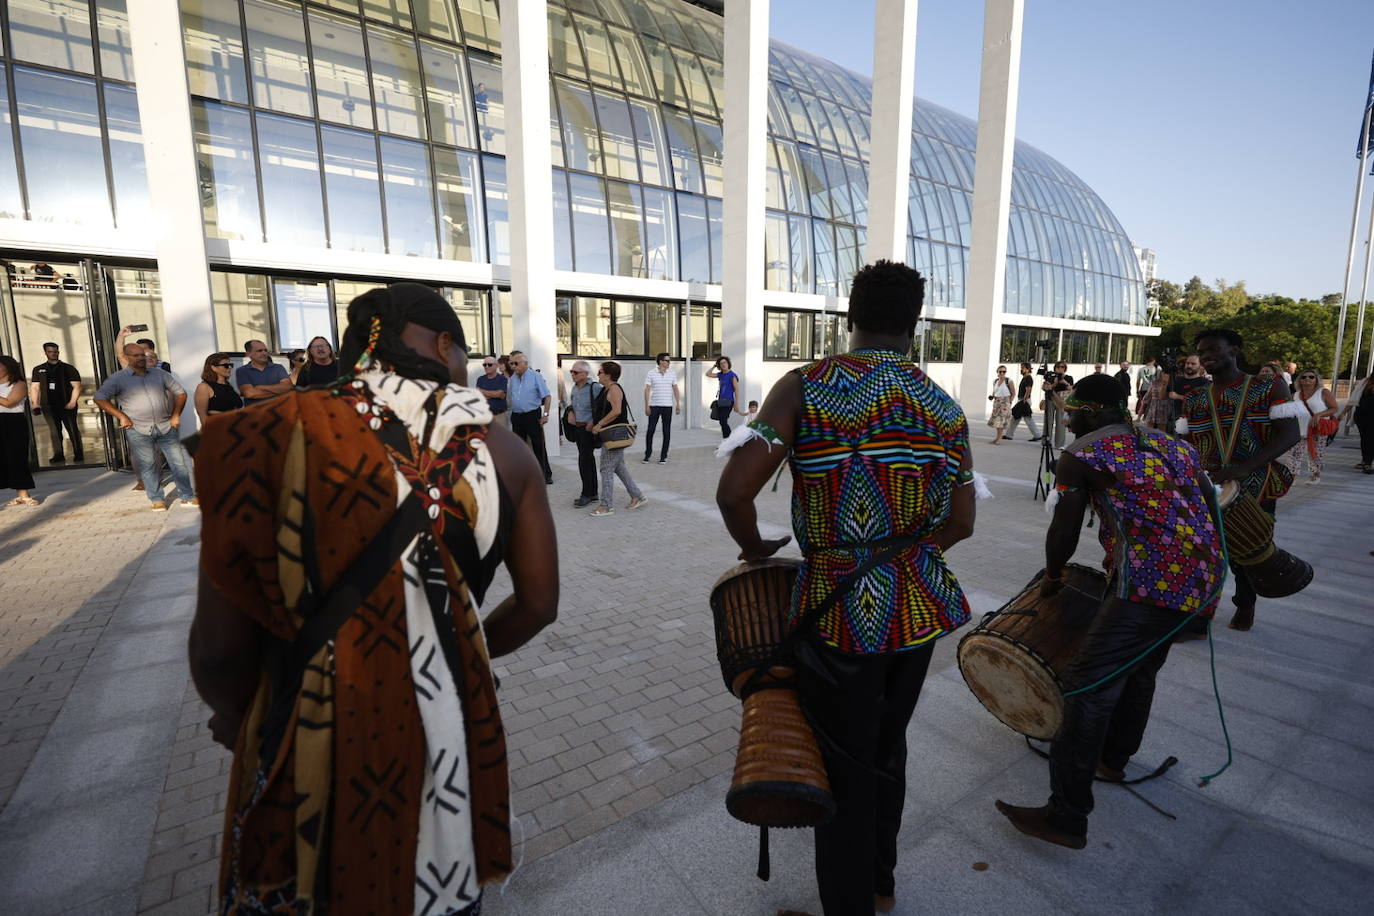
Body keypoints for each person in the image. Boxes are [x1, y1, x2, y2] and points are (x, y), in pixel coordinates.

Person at [189, 282, 558, 915]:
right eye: (463, 353)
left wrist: (234, 711)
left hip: (302, 730)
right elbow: (539, 604)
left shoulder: (267, 433)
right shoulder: (507, 452)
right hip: (444, 732)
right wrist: (461, 651)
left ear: (358, 351)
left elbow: (220, 643)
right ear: (445, 344)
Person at [716, 260, 976, 916]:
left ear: (849, 316)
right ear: (915, 324)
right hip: (918, 607)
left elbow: (734, 489)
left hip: (839, 612)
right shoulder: (942, 405)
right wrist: (903, 561)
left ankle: (850, 904)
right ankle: (881, 883)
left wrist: (754, 547)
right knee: (890, 744)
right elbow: (964, 522)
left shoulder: (807, 385)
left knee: (844, 761)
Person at [994, 374, 1224, 851]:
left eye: (1073, 410)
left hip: (1149, 582)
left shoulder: (1082, 453)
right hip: (1202, 579)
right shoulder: (1170, 443)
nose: (1068, 418)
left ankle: (1066, 816)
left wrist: (1053, 576)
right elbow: (1208, 504)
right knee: (1140, 670)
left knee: (1088, 686)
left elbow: (1065, 528)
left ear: (1094, 409)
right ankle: (1114, 757)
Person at [1181, 329, 1300, 631]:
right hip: (1210, 484)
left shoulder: (1267, 385)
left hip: (1257, 481)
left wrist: (1244, 467)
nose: (1206, 357)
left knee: (1249, 550)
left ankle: (1245, 603)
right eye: (1202, 352)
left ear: (1234, 350)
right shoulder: (1194, 396)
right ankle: (1200, 616)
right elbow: (1188, 443)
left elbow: (1290, 434)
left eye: (1213, 350)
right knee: (1203, 551)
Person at [94, 343, 197, 510]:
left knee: (178, 463)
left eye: (142, 355)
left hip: (166, 426)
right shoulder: (118, 378)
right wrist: (121, 416)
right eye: (136, 355)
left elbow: (181, 393)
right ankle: (157, 499)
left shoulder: (160, 374)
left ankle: (187, 496)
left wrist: (176, 415)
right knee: (148, 465)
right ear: (126, 357)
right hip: (138, 428)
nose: (141, 358)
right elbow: (99, 397)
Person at [587, 361, 647, 516]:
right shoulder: (604, 389)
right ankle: (637, 496)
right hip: (610, 434)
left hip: (614, 434)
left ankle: (606, 505)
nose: (598, 374)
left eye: (600, 371)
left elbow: (616, 411)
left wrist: (599, 424)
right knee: (619, 467)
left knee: (606, 468)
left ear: (607, 374)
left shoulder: (614, 389)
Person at [28, 342, 83, 463]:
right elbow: (35, 388)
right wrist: (35, 404)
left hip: (66, 403)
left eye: (56, 351)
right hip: (48, 405)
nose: (54, 354)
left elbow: (77, 386)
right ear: (45, 353)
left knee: (72, 428)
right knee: (54, 430)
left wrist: (72, 401)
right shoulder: (38, 369)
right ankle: (58, 454)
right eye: (51, 351)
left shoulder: (68, 368)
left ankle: (78, 453)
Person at [507, 350, 553, 484]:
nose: (513, 366)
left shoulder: (535, 376)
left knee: (538, 445)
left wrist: (546, 414)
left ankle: (545, 474)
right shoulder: (512, 378)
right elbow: (510, 397)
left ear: (525, 363)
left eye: (516, 363)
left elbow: (547, 396)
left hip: (532, 415)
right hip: (517, 416)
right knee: (519, 447)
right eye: (511, 364)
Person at [1285, 369, 1338, 484]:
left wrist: (1320, 414)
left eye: (1311, 377)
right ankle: (1292, 477)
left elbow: (1334, 408)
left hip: (1317, 429)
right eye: (1304, 377)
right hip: (1299, 429)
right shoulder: (1295, 395)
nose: (1307, 379)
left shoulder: (1323, 392)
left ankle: (1315, 475)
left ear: (1316, 379)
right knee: (1294, 453)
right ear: (1299, 380)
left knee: (1315, 453)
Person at [0, 355, 39, 507]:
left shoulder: (19, 384)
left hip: (13, 422)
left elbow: (9, 403)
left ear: (8, 367)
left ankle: (24, 495)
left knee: (16, 457)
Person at [567, 360, 601, 507]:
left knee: (584, 461)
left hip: (589, 430)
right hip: (578, 429)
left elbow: (603, 407)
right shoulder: (574, 388)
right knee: (588, 460)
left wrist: (594, 422)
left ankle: (586, 494)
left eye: (576, 372)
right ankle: (593, 493)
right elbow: (573, 405)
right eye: (571, 372)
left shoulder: (595, 387)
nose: (572, 375)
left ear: (585, 374)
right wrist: (569, 412)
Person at [642, 352, 680, 464]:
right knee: (650, 431)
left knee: (666, 431)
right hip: (654, 406)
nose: (669, 363)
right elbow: (647, 390)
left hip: (668, 406)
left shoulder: (672, 373)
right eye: (667, 360)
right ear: (661, 361)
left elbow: (675, 389)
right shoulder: (651, 373)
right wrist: (646, 405)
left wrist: (678, 404)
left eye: (669, 361)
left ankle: (663, 456)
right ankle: (647, 454)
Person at [235, 340, 292, 405]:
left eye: (265, 350)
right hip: (256, 413)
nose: (264, 353)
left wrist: (260, 387)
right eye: (259, 351)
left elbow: (287, 387)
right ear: (249, 353)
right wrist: (279, 391)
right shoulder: (242, 371)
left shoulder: (278, 368)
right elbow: (249, 393)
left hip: (280, 411)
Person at [193, 352, 243, 423]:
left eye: (230, 365)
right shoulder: (204, 387)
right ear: (213, 368)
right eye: (226, 365)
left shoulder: (228, 386)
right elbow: (202, 414)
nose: (229, 368)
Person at [1341, 374, 1374, 472]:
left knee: (1370, 439)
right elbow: (1353, 400)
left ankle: (1367, 462)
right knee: (1365, 439)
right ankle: (1366, 461)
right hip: (1363, 416)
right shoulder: (1364, 383)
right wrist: (1343, 413)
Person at [705, 355, 742, 438]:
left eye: (725, 362)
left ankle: (729, 439)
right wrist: (714, 366)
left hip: (729, 401)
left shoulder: (732, 375)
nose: (723, 365)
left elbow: (737, 390)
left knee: (723, 420)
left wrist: (736, 404)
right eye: (721, 364)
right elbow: (708, 374)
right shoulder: (720, 374)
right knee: (722, 421)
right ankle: (726, 439)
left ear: (728, 363)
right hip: (721, 401)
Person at [1041, 360, 1074, 448]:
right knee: (1048, 420)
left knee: (1061, 421)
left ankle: (1060, 444)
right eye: (1058, 367)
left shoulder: (1069, 378)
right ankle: (1046, 441)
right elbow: (1044, 388)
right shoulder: (1050, 376)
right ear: (1055, 368)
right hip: (1051, 398)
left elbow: (1071, 389)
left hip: (1062, 400)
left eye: (1062, 367)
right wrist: (1054, 383)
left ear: (1065, 369)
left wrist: (1064, 382)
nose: (1060, 369)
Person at [1006, 362, 1042, 442]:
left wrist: (1024, 401)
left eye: (1022, 368)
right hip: (1023, 400)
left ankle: (1037, 435)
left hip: (1024, 400)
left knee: (1026, 418)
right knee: (1016, 417)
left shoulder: (1028, 378)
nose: (1021, 369)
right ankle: (1009, 435)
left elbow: (1028, 389)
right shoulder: (1025, 377)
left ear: (1027, 369)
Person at [1168, 354, 1207, 421]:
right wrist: (1164, 382)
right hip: (1174, 420)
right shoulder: (1177, 380)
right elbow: (1162, 397)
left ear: (1201, 366)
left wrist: (1178, 396)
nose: (1189, 366)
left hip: (1195, 421)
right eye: (1187, 363)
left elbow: (1202, 402)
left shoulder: (1204, 383)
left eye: (1193, 364)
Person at [475, 354, 510, 428]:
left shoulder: (502, 379)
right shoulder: (480, 379)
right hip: (484, 417)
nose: (486, 367)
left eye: (489, 364)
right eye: (484, 365)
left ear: (496, 366)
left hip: (499, 416)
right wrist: (493, 393)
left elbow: (500, 394)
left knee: (501, 439)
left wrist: (482, 391)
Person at [1140, 362, 1173, 432]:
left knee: (1161, 431)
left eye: (1165, 373)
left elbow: (1163, 396)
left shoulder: (1170, 384)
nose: (1163, 374)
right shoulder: (1154, 382)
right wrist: (1142, 407)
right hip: (1153, 408)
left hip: (1164, 409)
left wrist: (1165, 383)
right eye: (1162, 372)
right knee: (1148, 429)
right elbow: (1147, 396)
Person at [987, 365, 1014, 444]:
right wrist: (992, 396)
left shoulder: (1009, 381)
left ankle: (999, 438)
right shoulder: (995, 381)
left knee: (1001, 421)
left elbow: (1013, 393)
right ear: (998, 372)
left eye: (1004, 371)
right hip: (996, 402)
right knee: (996, 421)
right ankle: (997, 438)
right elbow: (995, 391)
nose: (1002, 373)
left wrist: (1009, 402)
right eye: (1000, 371)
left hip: (1005, 403)